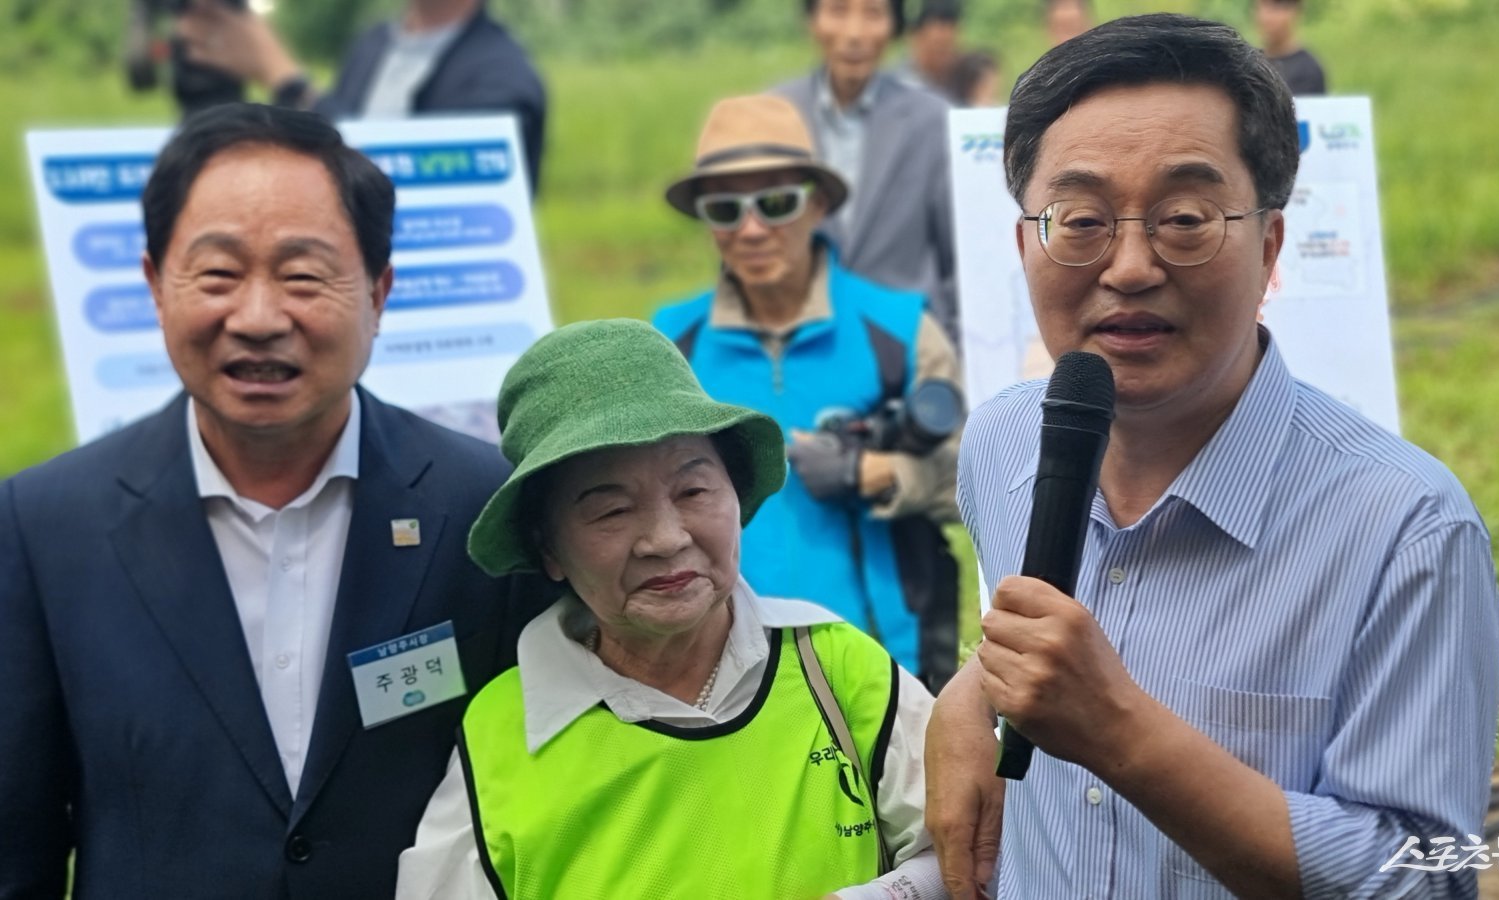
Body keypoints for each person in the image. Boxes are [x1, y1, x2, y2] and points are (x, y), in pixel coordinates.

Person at [926, 14, 1499, 899]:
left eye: (1184, 219)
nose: (1127, 266)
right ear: (1026, 244)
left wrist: (1121, 734)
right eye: (1079, 219)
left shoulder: (1408, 532)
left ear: (1268, 246)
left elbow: (1424, 877)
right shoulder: (1004, 441)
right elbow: (1027, 648)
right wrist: (971, 694)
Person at [0, 103, 542, 900]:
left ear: (378, 292)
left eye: (302, 275)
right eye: (217, 275)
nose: (257, 319)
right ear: (155, 285)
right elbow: (20, 846)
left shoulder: (485, 508)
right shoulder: (45, 526)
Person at [394, 318, 947, 899]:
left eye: (693, 491)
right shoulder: (503, 734)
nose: (665, 538)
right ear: (547, 548)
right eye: (611, 510)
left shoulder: (831, 665)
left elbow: (967, 841)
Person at [652, 94, 963, 691]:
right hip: (723, 674)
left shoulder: (898, 331)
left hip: (884, 663)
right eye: (724, 208)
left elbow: (975, 485)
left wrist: (878, 472)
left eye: (775, 203)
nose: (750, 229)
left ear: (818, 203)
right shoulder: (672, 344)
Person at [176, 0, 548, 193]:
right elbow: (334, 151)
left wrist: (281, 74)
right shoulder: (373, 43)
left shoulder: (503, 78)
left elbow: (421, 196)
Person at [775, 0, 960, 341]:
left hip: (908, 347)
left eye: (873, 13)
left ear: (894, 26)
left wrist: (946, 347)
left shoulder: (932, 120)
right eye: (838, 11)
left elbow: (958, 259)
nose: (855, 34)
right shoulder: (774, 113)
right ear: (812, 21)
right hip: (799, 346)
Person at [1256, 0, 1327, 95]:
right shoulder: (1248, 63)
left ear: (1295, 11)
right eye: (1262, 6)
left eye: (1275, 8)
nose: (1266, 17)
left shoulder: (1308, 71)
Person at [897, 0, 962, 101]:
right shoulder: (898, 85)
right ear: (914, 38)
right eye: (938, 46)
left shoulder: (964, 81)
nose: (946, 55)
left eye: (950, 46)